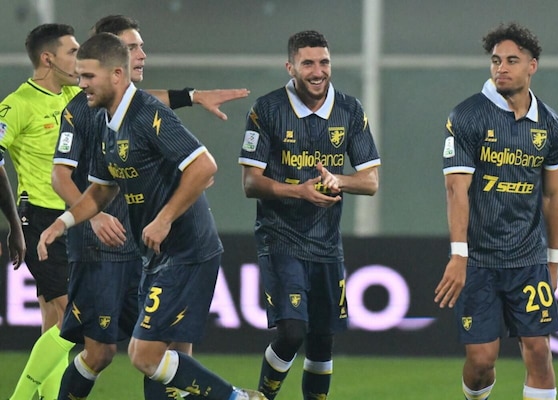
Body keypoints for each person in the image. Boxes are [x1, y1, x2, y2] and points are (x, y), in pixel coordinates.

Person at [38, 33, 264, 400]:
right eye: (79, 76)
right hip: (158, 255)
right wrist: (62, 223)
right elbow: (100, 190)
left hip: (187, 250)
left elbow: (204, 166)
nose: (81, 85)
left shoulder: (147, 113)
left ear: (116, 74)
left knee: (144, 354)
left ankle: (237, 398)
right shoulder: (106, 122)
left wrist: (164, 218)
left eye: (88, 76)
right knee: (156, 356)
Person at [238, 30, 380, 399]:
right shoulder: (267, 110)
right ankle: (262, 396)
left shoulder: (350, 110)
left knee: (322, 340)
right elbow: (251, 183)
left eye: (324, 62)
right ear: (291, 67)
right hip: (280, 238)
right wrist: (298, 191)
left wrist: (339, 180)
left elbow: (370, 182)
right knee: (292, 333)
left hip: (327, 245)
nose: (318, 72)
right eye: (308, 64)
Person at [434, 22, 558, 400]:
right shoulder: (467, 116)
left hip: (528, 259)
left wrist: (553, 261)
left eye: (512, 60)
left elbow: (552, 195)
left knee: (539, 351)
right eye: (496, 61)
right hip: (479, 260)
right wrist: (459, 255)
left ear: (532, 66)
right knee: (481, 361)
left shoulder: (553, 126)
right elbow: (456, 188)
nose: (501, 68)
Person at [1, 23, 82, 400]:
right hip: (39, 220)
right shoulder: (18, 104)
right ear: (48, 58)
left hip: (73, 220)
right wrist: (15, 226)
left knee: (54, 321)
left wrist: (189, 97)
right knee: (73, 319)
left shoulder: (75, 95)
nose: (79, 59)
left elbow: (135, 100)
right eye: (73, 52)